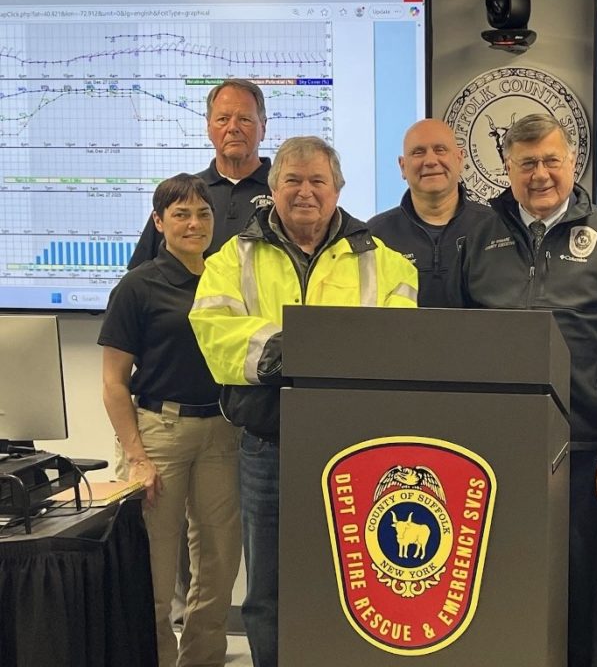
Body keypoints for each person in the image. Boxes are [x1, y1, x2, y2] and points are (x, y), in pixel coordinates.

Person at [189, 136, 417, 667]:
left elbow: (397, 347)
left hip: (357, 450)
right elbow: (215, 334)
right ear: (272, 190)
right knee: (267, 591)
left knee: (354, 584)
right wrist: (308, 348)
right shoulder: (231, 257)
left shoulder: (386, 262)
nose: (305, 192)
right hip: (269, 445)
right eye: (292, 180)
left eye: (318, 180)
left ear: (338, 188)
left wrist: (304, 347)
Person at [452, 113, 597, 667]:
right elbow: (457, 340)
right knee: (496, 585)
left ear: (573, 163)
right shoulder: (477, 234)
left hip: (587, 451)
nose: (540, 174)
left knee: (586, 591)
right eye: (526, 164)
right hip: (495, 452)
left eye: (551, 161)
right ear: (506, 168)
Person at [99, 173, 241, 667]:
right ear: (159, 223)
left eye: (202, 213)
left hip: (223, 432)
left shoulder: (226, 277)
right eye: (180, 214)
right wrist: (136, 457)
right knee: (154, 570)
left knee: (219, 564)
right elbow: (114, 381)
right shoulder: (138, 285)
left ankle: (202, 660)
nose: (194, 223)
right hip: (159, 434)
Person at [128, 79, 274, 269]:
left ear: (263, 127)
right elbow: (141, 276)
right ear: (208, 128)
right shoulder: (183, 194)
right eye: (223, 119)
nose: (233, 128)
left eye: (245, 119)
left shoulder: (285, 193)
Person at [367, 118, 491, 307]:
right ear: (402, 166)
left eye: (440, 150)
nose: (431, 161)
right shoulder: (376, 235)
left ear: (459, 159)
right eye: (418, 152)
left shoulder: (494, 228)